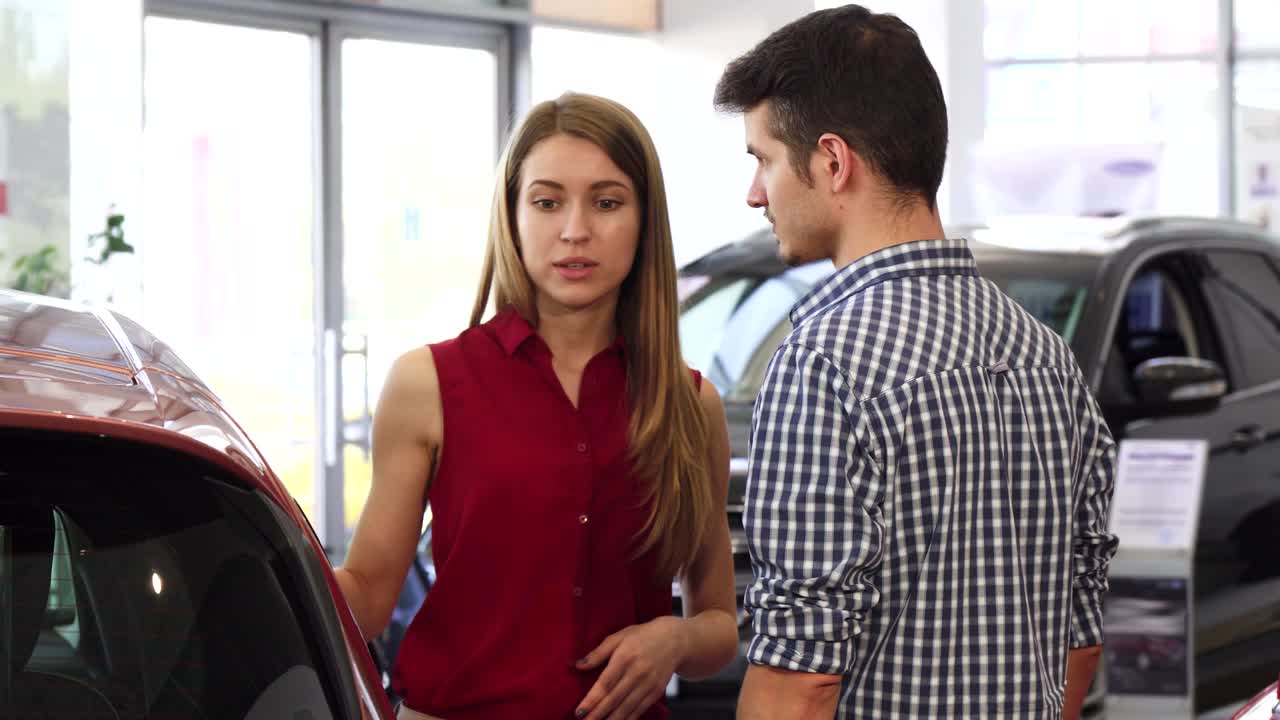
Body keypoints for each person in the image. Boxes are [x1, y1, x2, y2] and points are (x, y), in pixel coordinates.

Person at [713, 6, 1119, 720]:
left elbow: (801, 677)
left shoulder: (822, 362)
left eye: (764, 159)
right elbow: (1078, 634)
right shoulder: (1046, 356)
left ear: (833, 162)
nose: (754, 192)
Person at [335, 92, 738, 720]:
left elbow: (718, 624)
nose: (575, 230)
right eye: (547, 202)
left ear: (643, 220)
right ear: (512, 215)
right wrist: (259, 568)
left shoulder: (690, 404)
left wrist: (677, 638)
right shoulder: (428, 384)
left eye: (607, 202)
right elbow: (368, 595)